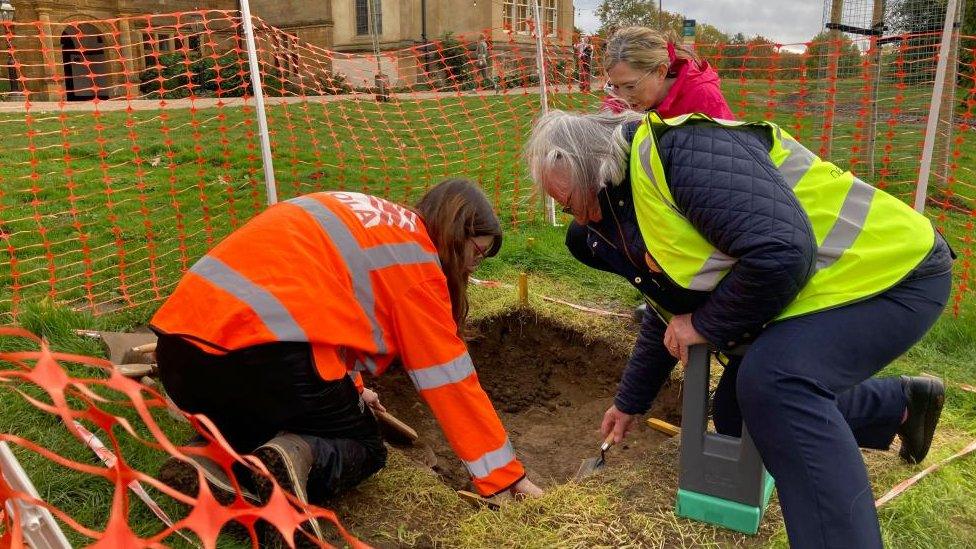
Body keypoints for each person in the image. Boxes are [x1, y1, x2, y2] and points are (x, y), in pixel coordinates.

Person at [524, 109, 953, 548]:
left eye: (566, 202)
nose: (574, 218)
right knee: (735, 414)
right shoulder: (617, 218)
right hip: (811, 288)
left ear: (589, 167)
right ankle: (899, 406)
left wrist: (705, 323)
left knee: (774, 383)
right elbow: (666, 313)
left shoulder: (682, 155)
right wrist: (629, 402)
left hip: (891, 270)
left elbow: (782, 253)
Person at [151, 180, 543, 537]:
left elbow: (322, 309)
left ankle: (210, 460)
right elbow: (449, 378)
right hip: (265, 360)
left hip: (181, 358)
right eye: (477, 251)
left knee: (265, 421)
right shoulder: (418, 266)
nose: (474, 265)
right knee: (365, 446)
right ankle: (291, 459)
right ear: (457, 231)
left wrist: (353, 388)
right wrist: (504, 478)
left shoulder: (376, 222)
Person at [600, 27, 733, 119]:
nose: (622, 98)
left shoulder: (704, 98)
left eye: (630, 86)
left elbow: (728, 153)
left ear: (660, 72)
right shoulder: (620, 99)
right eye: (615, 86)